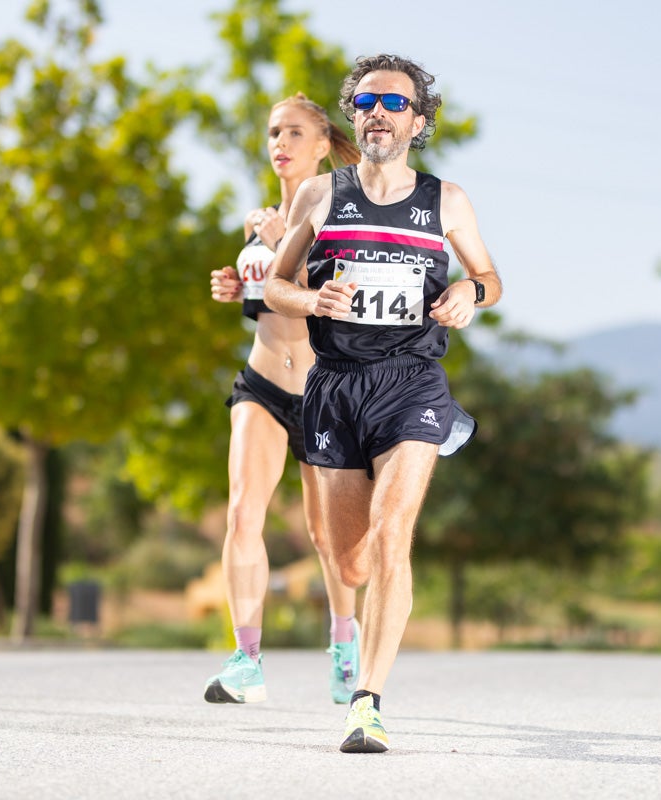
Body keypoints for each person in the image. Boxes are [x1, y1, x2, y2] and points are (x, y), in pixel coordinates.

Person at [265, 54, 502, 753]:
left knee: (393, 535)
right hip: (336, 384)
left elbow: (490, 277)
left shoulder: (446, 200)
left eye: (395, 103)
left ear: (417, 122)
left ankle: (367, 702)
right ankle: (358, 630)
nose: (378, 112)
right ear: (353, 114)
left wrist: (469, 292)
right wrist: (313, 299)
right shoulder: (320, 196)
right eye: (367, 101)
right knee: (351, 564)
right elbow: (276, 286)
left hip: (411, 381)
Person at [204, 93, 362, 705]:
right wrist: (234, 284)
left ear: (322, 144)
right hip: (263, 384)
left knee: (326, 536)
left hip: (324, 393)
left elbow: (332, 302)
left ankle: (345, 645)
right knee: (243, 514)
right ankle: (246, 660)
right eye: (274, 132)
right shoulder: (259, 222)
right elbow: (265, 302)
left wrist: (283, 252)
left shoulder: (344, 214)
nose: (281, 143)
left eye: (295, 132)